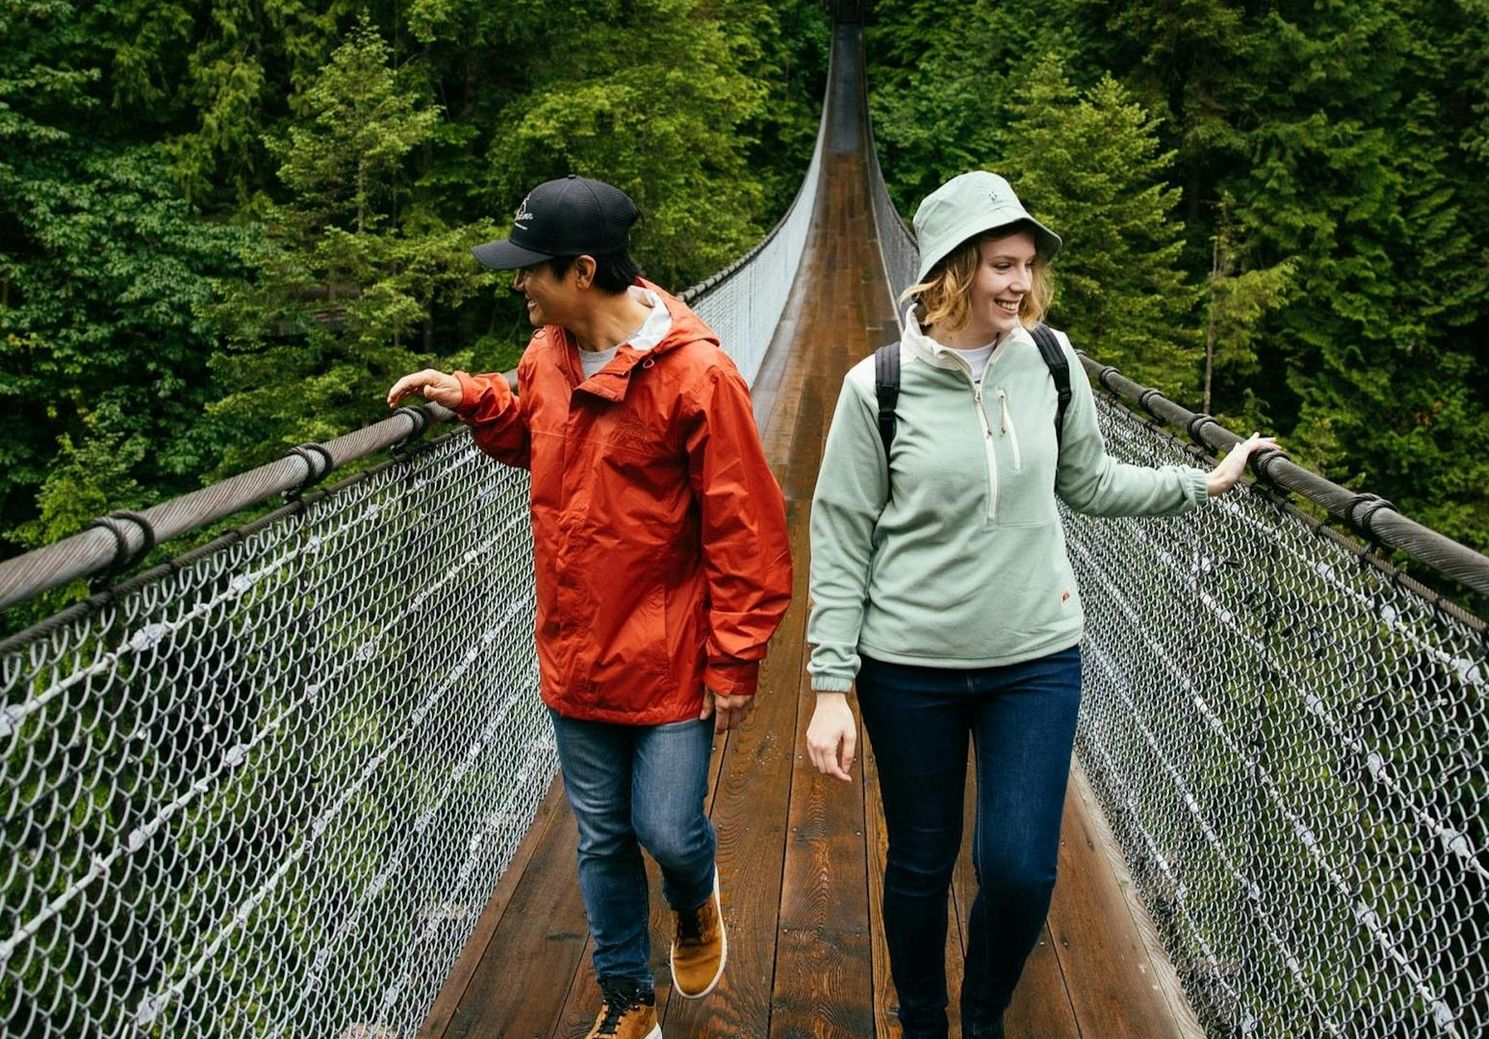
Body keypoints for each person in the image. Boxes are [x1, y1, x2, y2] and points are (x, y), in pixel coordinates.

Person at [802, 170, 1275, 1039]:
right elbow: (840, 537)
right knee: (920, 860)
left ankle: (981, 1019)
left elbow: (1088, 481)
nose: (1020, 284)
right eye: (1000, 266)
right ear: (951, 271)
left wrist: (1197, 482)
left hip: (1036, 657)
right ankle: (922, 1020)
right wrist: (831, 687)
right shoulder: (880, 387)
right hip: (909, 667)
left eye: (1026, 265)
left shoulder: (1052, 361)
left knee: (1019, 869)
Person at [387, 175, 792, 1039]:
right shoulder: (549, 355)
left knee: (670, 831)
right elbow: (535, 433)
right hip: (575, 648)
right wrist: (472, 397)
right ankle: (629, 1000)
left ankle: (694, 897)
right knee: (603, 836)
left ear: (580, 270)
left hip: (669, 649)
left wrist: (736, 659)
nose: (518, 284)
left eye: (530, 269)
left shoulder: (698, 377)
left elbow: (746, 529)